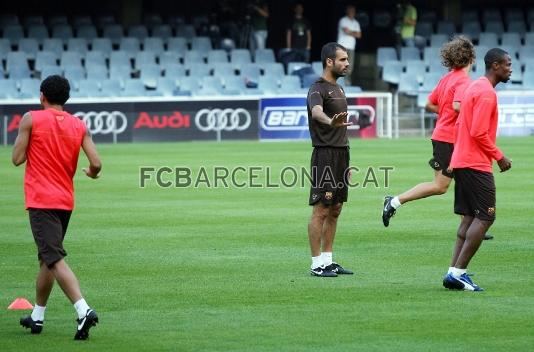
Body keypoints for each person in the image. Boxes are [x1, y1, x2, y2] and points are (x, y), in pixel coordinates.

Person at [12, 75, 102, 339]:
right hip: (65, 201)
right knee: (46, 259)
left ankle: (83, 310)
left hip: (42, 200)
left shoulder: (31, 119)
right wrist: (91, 173)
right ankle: (37, 317)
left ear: (42, 96)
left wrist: (35, 144)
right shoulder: (79, 125)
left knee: (53, 258)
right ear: (67, 98)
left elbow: (16, 158)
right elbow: (96, 163)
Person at [382, 36, 495, 241]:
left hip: (444, 136)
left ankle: (471, 225)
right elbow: (458, 106)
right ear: (472, 58)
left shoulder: (447, 78)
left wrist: (444, 116)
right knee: (440, 186)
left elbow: (429, 104)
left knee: (465, 179)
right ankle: (394, 201)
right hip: (450, 139)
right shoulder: (463, 81)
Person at [442, 48, 512, 291]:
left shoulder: (474, 87)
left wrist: (455, 158)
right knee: (486, 217)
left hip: (462, 161)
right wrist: (500, 157)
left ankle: (453, 271)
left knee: (469, 218)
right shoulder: (485, 93)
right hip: (475, 164)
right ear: (495, 65)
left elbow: (461, 124)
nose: (510, 68)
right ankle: (459, 272)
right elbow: (479, 132)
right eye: (507, 64)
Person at [306, 42, 354, 277]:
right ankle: (316, 264)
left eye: (347, 59)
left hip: (341, 155)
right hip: (324, 154)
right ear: (329, 62)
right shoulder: (318, 88)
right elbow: (316, 112)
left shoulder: (340, 89)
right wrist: (329, 121)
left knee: (335, 209)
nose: (347, 63)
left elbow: (341, 130)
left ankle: (328, 260)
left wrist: (347, 162)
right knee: (321, 210)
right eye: (343, 59)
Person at [336, 4, 361, 86]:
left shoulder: (356, 23)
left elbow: (359, 35)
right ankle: (340, 83)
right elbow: (346, 31)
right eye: (350, 11)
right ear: (347, 12)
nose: (352, 12)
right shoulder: (343, 20)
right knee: (341, 65)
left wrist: (351, 32)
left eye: (353, 11)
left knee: (350, 67)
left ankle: (346, 83)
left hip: (351, 47)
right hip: (342, 47)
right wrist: (354, 32)